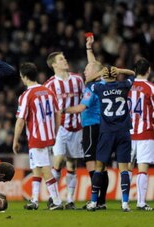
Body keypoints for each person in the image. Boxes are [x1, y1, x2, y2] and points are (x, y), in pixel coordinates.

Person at [64, 35, 109, 210]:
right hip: (102, 126)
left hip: (91, 126)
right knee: (101, 165)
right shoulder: (103, 82)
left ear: (95, 72)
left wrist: (62, 110)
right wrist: (89, 48)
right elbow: (95, 65)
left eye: (87, 69)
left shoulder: (91, 87)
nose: (84, 71)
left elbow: (81, 108)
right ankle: (101, 201)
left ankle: (95, 200)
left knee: (91, 162)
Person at [13, 62, 63, 211]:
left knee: (44, 168)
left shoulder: (26, 95)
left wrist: (15, 140)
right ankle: (34, 200)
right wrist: (54, 131)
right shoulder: (48, 92)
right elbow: (58, 114)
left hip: (37, 136)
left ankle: (57, 201)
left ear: (24, 77)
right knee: (36, 167)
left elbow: (20, 121)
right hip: (48, 135)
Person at [85, 64, 135, 212]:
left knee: (99, 167)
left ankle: (94, 202)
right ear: (115, 75)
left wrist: (99, 73)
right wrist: (121, 71)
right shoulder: (123, 85)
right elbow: (134, 73)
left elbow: (87, 81)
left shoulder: (100, 88)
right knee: (124, 169)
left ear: (103, 76)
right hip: (123, 132)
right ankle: (125, 204)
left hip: (106, 133)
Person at [43, 51, 85, 209]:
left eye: (65, 58)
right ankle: (53, 197)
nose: (65, 60)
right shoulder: (50, 85)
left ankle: (70, 199)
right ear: (54, 64)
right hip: (59, 128)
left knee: (72, 164)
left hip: (76, 126)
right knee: (58, 160)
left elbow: (84, 99)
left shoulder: (78, 80)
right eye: (61, 59)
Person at [128, 58, 154, 211]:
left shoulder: (127, 86)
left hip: (127, 132)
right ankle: (141, 202)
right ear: (148, 71)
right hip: (145, 131)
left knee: (128, 167)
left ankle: (125, 202)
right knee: (142, 167)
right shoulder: (150, 88)